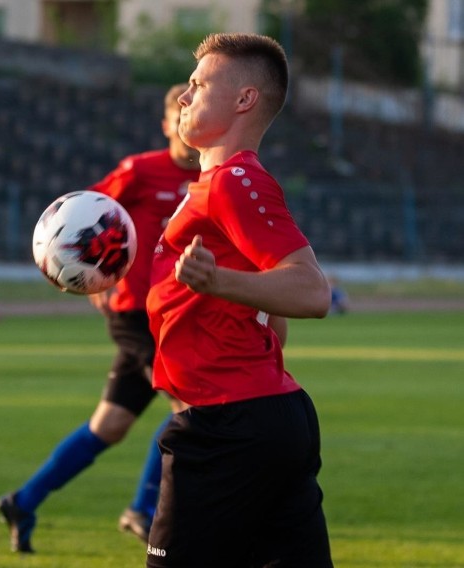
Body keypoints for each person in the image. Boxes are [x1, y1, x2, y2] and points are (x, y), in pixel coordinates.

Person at [145, 33, 333, 567]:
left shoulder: (234, 182)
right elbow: (275, 320)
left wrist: (218, 284)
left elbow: (311, 291)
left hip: (230, 426)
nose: (184, 97)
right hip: (262, 418)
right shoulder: (219, 186)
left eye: (198, 85)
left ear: (244, 100)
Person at [0, 85, 201, 553]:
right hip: (137, 315)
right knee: (190, 410)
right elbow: (83, 214)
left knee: (108, 426)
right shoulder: (141, 170)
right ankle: (143, 509)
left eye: (193, 110)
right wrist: (90, 274)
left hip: (174, 315)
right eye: (178, 114)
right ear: (167, 124)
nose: (187, 122)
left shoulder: (212, 175)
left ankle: (23, 502)